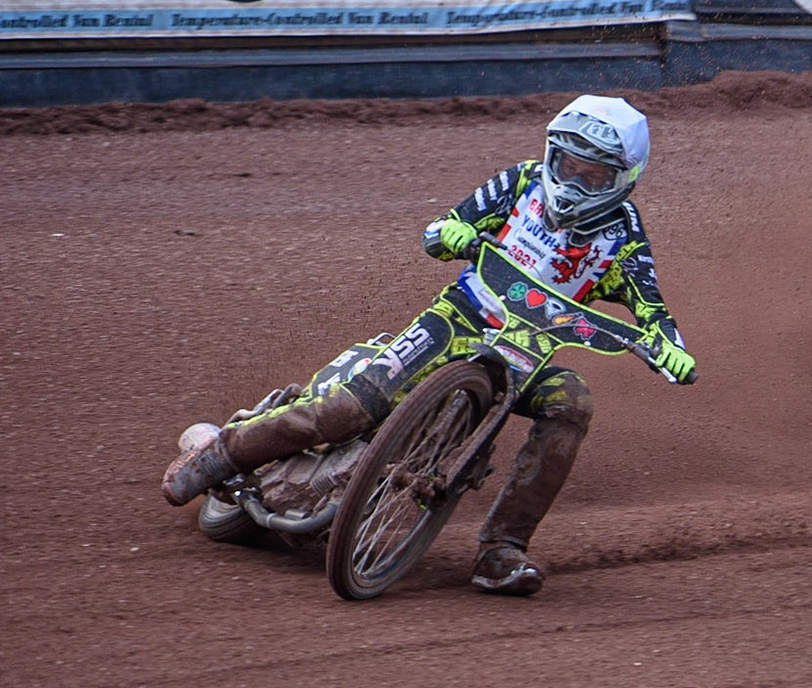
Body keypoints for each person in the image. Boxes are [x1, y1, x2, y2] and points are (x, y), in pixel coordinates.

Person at [162, 94, 696, 596]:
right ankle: (217, 458)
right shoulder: (521, 182)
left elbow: (652, 309)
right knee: (349, 409)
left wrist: (671, 348)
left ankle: (502, 549)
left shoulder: (624, 238)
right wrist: (451, 233)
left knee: (572, 401)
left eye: (592, 174)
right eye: (567, 165)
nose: (574, 180)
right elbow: (446, 225)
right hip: (457, 319)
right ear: (551, 154)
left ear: (622, 178)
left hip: (528, 355)